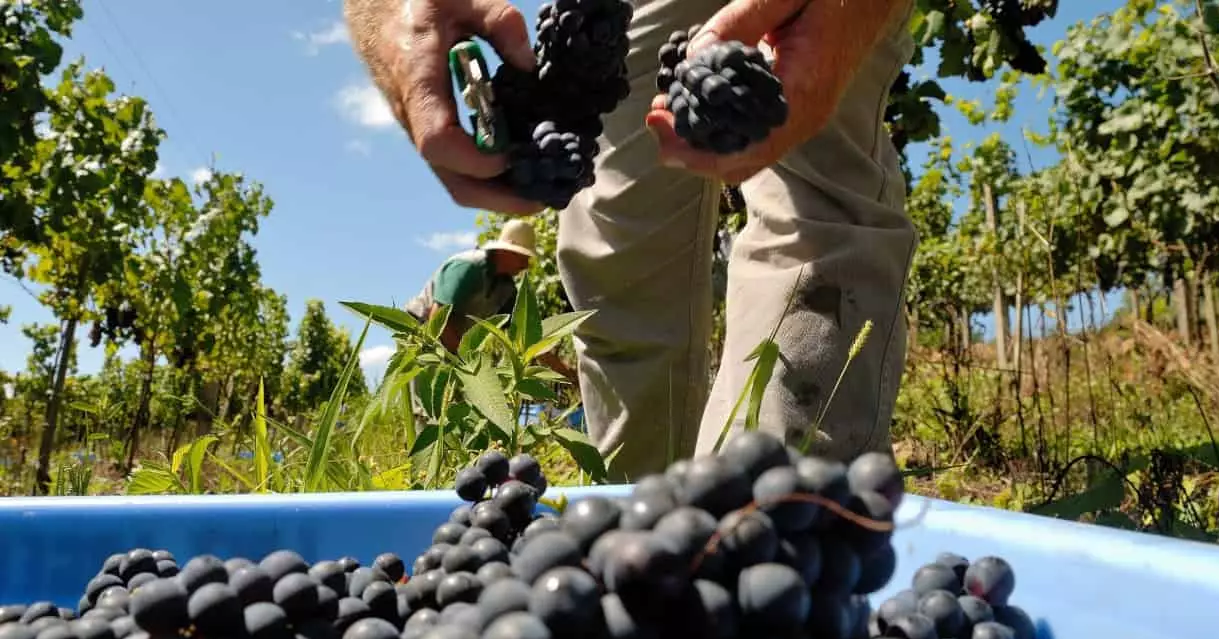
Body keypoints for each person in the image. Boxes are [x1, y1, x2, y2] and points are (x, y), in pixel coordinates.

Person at [346, 0, 919, 482]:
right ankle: (635, 536)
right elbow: (443, 328)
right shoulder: (469, 272)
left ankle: (774, 530)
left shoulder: (495, 276)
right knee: (615, 249)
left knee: (816, 203)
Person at [404, 218, 578, 379]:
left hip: (453, 347)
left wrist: (568, 375)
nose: (526, 265)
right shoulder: (468, 268)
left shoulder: (505, 289)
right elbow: (437, 319)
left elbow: (526, 339)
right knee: (425, 407)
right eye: (523, 257)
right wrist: (467, 365)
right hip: (422, 334)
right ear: (507, 251)